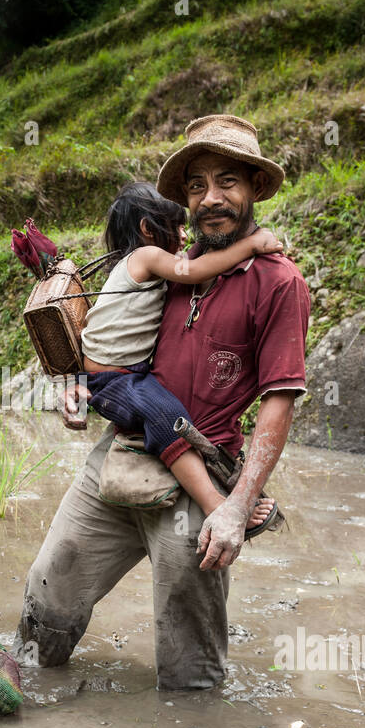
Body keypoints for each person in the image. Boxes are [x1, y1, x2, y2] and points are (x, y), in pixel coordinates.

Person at [17, 114, 311, 690]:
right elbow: (100, 339)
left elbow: (280, 398)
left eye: (227, 181)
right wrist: (73, 386)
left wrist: (237, 503)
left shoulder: (277, 282)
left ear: (254, 188)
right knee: (47, 595)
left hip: (198, 473)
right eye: (197, 186)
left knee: (188, 666)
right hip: (121, 455)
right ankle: (22, 690)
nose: (211, 197)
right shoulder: (167, 269)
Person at [78, 180, 282, 533]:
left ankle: (234, 489)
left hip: (118, 374)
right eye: (176, 226)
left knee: (165, 412)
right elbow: (196, 270)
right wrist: (250, 245)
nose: (185, 235)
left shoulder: (130, 265)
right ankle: (215, 503)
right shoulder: (147, 257)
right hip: (115, 380)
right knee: (168, 420)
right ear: (147, 229)